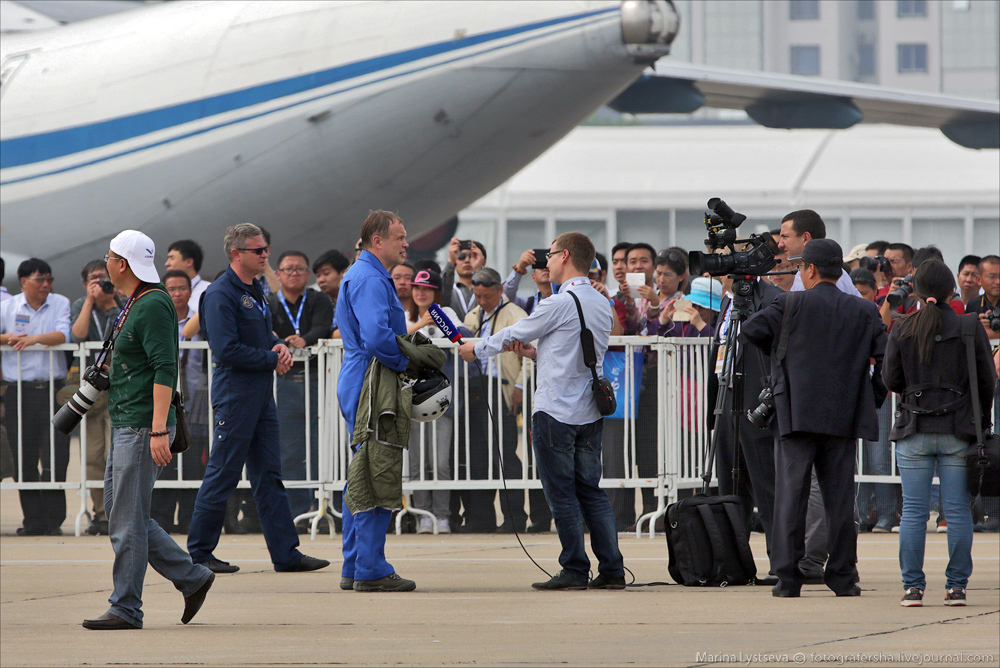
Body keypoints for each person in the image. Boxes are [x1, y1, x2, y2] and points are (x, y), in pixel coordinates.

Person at [459, 232, 625, 590]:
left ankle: (575, 568)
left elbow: (515, 331)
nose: (544, 263)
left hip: (555, 410)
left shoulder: (557, 302)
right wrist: (538, 353)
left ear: (565, 256)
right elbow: (578, 349)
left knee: (561, 493)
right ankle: (611, 569)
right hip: (589, 409)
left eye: (548, 256)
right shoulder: (599, 302)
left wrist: (477, 348)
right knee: (591, 492)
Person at [81, 230, 214, 630]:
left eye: (109, 256)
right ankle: (192, 577)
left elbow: (164, 367)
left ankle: (125, 607)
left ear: (121, 264)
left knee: (125, 520)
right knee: (128, 515)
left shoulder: (152, 304)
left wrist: (159, 430)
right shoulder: (136, 302)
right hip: (128, 420)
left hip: (142, 425)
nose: (105, 262)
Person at [742, 239, 887, 598]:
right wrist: (872, 397)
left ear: (808, 269)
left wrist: (781, 359)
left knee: (791, 496)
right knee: (839, 500)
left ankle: (788, 578)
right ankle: (842, 576)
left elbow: (751, 330)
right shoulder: (864, 311)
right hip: (843, 415)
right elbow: (887, 359)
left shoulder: (789, 303)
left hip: (796, 413)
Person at [186, 223, 329, 575]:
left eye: (265, 249)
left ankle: (286, 554)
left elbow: (263, 335)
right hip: (236, 395)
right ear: (237, 254)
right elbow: (226, 349)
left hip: (260, 395)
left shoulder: (257, 290)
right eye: (258, 250)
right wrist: (272, 358)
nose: (265, 255)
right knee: (223, 473)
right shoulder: (221, 294)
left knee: (269, 474)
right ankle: (200, 553)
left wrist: (277, 345)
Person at [882, 259, 996, 607]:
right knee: (959, 511)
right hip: (958, 430)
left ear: (915, 291)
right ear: (952, 291)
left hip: (914, 427)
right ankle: (956, 586)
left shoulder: (902, 326)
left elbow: (891, 380)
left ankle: (912, 588)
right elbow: (986, 380)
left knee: (914, 512)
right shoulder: (966, 326)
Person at [335, 210, 417, 592]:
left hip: (363, 377)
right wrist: (408, 361)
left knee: (361, 472)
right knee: (376, 472)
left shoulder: (365, 273)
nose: (406, 243)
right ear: (377, 241)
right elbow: (377, 337)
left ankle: (356, 564)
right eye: (399, 237)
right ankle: (370, 567)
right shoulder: (369, 278)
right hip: (373, 380)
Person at [0, 258, 71, 536]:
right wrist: (11, 338)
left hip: (54, 389)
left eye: (48, 279)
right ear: (23, 282)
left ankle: (53, 520)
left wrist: (32, 339)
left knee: (56, 455)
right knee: (24, 456)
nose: (45, 285)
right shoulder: (8, 306)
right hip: (20, 391)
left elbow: (63, 334)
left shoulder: (60, 302)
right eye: (39, 279)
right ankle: (33, 520)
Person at [460, 267, 529, 533]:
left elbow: (529, 355)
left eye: (487, 296)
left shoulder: (516, 315)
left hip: (504, 389)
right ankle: (480, 518)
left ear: (500, 290)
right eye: (477, 295)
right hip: (476, 389)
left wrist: (520, 386)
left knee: (505, 455)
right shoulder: (473, 314)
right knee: (477, 455)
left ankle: (514, 518)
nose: (482, 301)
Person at [268, 251, 333, 521]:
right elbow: (265, 330)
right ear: (278, 274)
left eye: (300, 269)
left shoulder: (319, 299)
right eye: (288, 269)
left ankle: (321, 506)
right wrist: (283, 341)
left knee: (321, 445)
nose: (294, 273)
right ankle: (294, 509)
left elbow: (323, 327)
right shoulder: (269, 301)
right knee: (290, 448)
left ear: (308, 275)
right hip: (285, 383)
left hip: (317, 381)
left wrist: (304, 339)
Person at [405, 269, 466, 533]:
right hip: (413, 398)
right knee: (418, 461)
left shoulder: (447, 313)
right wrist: (421, 324)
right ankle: (422, 516)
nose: (420, 293)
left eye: (427, 289)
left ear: (436, 292)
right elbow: (399, 336)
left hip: (441, 398)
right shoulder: (404, 314)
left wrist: (438, 320)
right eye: (416, 288)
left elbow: (462, 334)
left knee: (441, 461)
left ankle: (442, 515)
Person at [150, 270, 208, 534]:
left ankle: (188, 518)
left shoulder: (199, 319)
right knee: (166, 463)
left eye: (182, 288)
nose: (176, 294)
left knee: (193, 460)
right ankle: (161, 518)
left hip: (195, 400)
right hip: (164, 400)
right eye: (171, 288)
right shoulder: (157, 318)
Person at [67, 259, 121, 536]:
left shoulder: (122, 301)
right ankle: (100, 513)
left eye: (104, 277)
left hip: (120, 385)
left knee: (117, 451)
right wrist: (90, 301)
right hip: (91, 387)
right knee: (93, 454)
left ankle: (115, 512)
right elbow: (78, 334)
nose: (101, 283)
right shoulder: (80, 305)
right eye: (94, 278)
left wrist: (111, 304)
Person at [442, 237, 487, 321]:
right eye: (461, 257)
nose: (467, 260)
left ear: (483, 261)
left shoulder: (489, 287)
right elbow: (440, 295)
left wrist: (478, 270)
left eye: (472, 256)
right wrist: (451, 261)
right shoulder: (450, 290)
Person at [165, 240, 211, 311]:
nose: (167, 264)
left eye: (172, 258)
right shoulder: (162, 292)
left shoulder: (209, 291)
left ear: (189, 262)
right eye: (172, 289)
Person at [966, 255, 1000, 344]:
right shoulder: (973, 305)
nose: (997, 282)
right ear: (979, 279)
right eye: (992, 277)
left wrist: (988, 333)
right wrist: (977, 326)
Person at [312, 248, 351, 313]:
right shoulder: (318, 304)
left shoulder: (355, 299)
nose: (321, 280)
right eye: (318, 276)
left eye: (326, 273)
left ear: (343, 273)